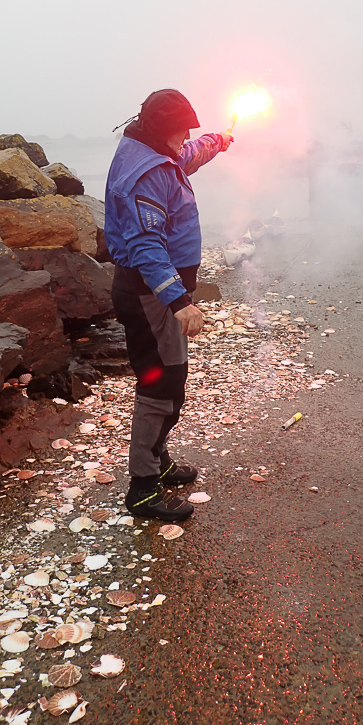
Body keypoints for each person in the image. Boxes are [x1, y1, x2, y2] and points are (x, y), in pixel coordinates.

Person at [105, 89, 233, 521]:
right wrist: (179, 301)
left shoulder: (152, 147)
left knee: (167, 382)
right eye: (181, 133)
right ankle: (142, 489)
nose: (185, 140)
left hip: (153, 296)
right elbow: (145, 243)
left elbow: (185, 155)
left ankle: (156, 460)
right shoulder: (146, 173)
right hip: (149, 297)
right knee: (162, 387)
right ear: (163, 131)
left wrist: (217, 141)